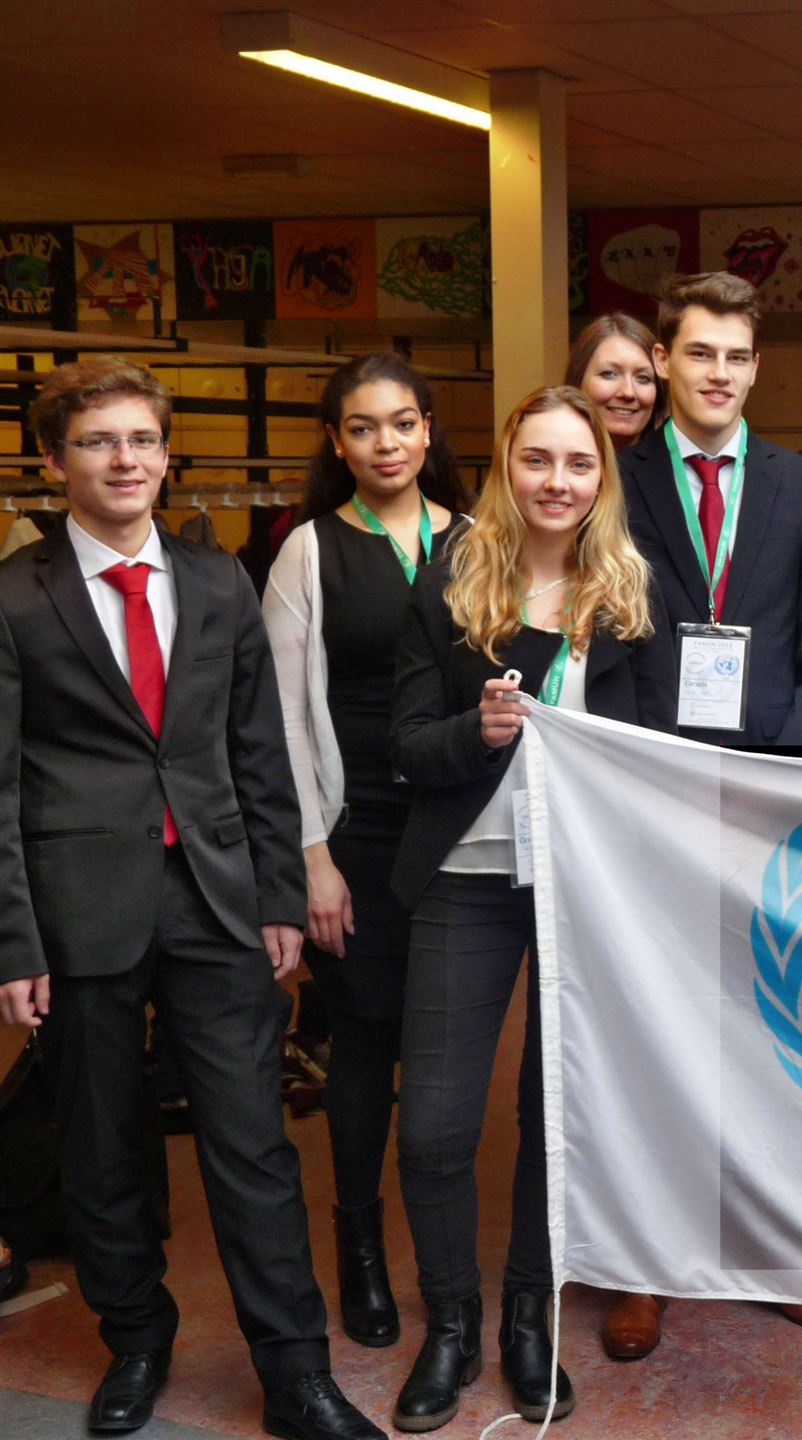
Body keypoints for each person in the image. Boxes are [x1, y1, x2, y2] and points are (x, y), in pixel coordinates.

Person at [0, 357, 384, 1439]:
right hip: (78, 911)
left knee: (251, 1139)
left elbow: (258, 749)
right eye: (97, 441)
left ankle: (296, 1370)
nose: (124, 460)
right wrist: (13, 941)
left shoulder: (217, 583)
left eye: (141, 440)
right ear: (54, 462)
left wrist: (278, 894)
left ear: (167, 456)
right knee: (101, 1143)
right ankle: (136, 1338)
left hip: (216, 898)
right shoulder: (14, 596)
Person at [387, 386, 675, 1431]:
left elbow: (659, 756)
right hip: (464, 880)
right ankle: (451, 1325)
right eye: (538, 460)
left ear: (604, 477)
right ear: (507, 468)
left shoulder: (630, 590)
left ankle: (525, 1319)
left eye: (579, 463)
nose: (558, 482)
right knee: (434, 1126)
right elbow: (404, 746)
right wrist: (478, 731)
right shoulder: (452, 578)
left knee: (555, 1122)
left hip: (585, 887)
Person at [262, 353, 468, 1351]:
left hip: (457, 823)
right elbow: (282, 722)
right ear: (336, 443)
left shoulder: (476, 539)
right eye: (363, 427)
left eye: (403, 422)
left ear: (429, 429)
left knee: (445, 1047)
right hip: (358, 832)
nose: (387, 443)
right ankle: (359, 1245)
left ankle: (445, 1260)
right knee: (367, 1038)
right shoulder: (308, 551)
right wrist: (312, 858)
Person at [619, 272, 802, 749]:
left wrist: (786, 764)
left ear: (755, 368)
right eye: (700, 354)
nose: (721, 374)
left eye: (737, 357)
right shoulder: (617, 483)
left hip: (775, 760)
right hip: (649, 758)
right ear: (662, 360)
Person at [564, 313, 663, 449]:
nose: (628, 392)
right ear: (578, 381)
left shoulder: (676, 460)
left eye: (643, 378)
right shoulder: (549, 459)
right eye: (609, 374)